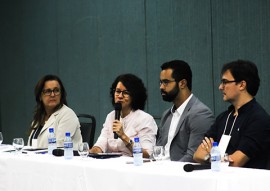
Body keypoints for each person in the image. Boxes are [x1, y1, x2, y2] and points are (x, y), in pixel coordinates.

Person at [193, 60, 270, 169]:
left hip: (246, 183)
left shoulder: (259, 119)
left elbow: (236, 162)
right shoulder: (223, 118)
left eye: (225, 82)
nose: (220, 87)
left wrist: (211, 156)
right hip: (219, 180)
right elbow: (197, 155)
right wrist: (212, 158)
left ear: (242, 85)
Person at [156, 60, 215, 162]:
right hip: (161, 171)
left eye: (166, 82)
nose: (161, 87)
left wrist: (168, 174)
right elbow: (158, 150)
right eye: (160, 82)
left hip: (180, 174)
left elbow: (192, 156)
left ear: (182, 83)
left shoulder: (200, 114)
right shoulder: (166, 114)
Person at [90, 73, 157, 158]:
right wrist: (89, 152)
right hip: (112, 165)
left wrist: (123, 136)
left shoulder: (145, 119)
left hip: (134, 165)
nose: (120, 96)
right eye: (117, 91)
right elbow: (100, 144)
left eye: (125, 93)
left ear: (134, 96)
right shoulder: (111, 116)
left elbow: (147, 154)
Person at [27, 74, 82, 150]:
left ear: (61, 94)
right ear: (40, 96)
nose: (52, 95)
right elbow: (31, 145)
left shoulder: (67, 115)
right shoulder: (40, 117)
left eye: (56, 90)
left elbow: (59, 147)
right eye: (48, 91)